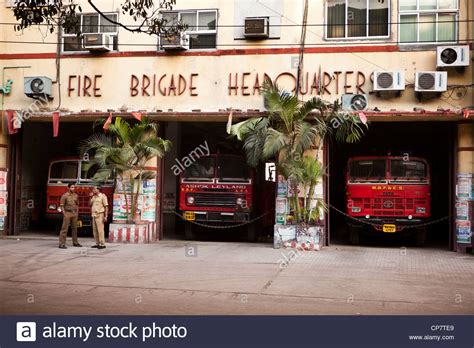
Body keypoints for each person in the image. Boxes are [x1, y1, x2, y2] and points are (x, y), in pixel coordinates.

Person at [58, 183, 82, 249]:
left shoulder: (76, 195)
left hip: (74, 213)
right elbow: (62, 206)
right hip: (67, 213)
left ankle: (75, 242)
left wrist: (77, 212)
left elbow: (77, 204)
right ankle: (62, 244)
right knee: (64, 229)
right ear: (68, 188)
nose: (73, 188)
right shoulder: (64, 196)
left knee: (75, 229)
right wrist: (64, 214)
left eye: (74, 187)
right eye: (71, 187)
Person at [90, 185, 109, 249]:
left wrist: (106, 216)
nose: (93, 190)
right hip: (94, 215)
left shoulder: (103, 196)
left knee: (100, 230)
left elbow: (106, 206)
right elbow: (90, 204)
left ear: (98, 190)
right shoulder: (93, 197)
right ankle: (97, 243)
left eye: (95, 189)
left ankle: (102, 244)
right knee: (95, 230)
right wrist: (90, 197)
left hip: (100, 215)